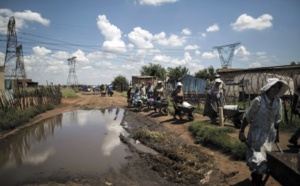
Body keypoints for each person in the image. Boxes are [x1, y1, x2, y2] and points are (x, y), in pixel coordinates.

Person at [239, 78, 289, 185]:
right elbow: (247, 117)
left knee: (265, 158)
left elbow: (278, 120)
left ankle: (257, 176)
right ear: (268, 87)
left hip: (269, 134)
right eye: (273, 86)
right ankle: (257, 178)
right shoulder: (258, 101)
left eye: (278, 87)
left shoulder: (278, 102)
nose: (276, 89)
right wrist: (242, 131)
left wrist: (277, 134)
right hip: (257, 134)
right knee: (258, 159)